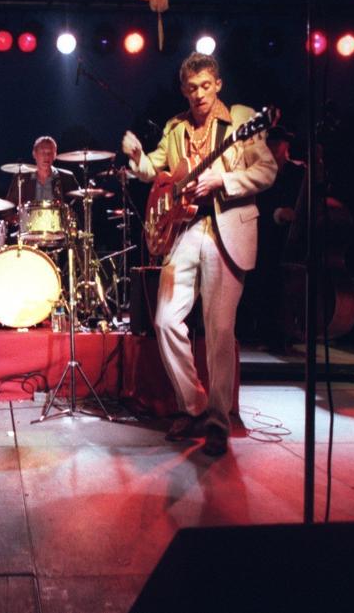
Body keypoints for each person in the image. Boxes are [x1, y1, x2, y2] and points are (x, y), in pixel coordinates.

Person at [121, 52, 277, 456]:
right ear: (183, 91)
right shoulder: (175, 128)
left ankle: (218, 421)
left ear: (218, 84)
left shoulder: (242, 119)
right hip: (185, 230)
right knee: (165, 319)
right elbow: (157, 168)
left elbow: (267, 170)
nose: (199, 94)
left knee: (219, 331)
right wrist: (138, 158)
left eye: (205, 86)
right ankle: (193, 406)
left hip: (227, 227)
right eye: (191, 89)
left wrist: (223, 179)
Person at [242, 125, 304, 352]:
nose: (272, 147)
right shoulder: (261, 172)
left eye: (277, 143)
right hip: (266, 233)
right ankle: (263, 331)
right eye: (270, 143)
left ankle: (288, 332)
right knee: (263, 280)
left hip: (293, 239)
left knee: (283, 284)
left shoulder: (298, 172)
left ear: (286, 145)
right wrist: (277, 213)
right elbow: (258, 203)